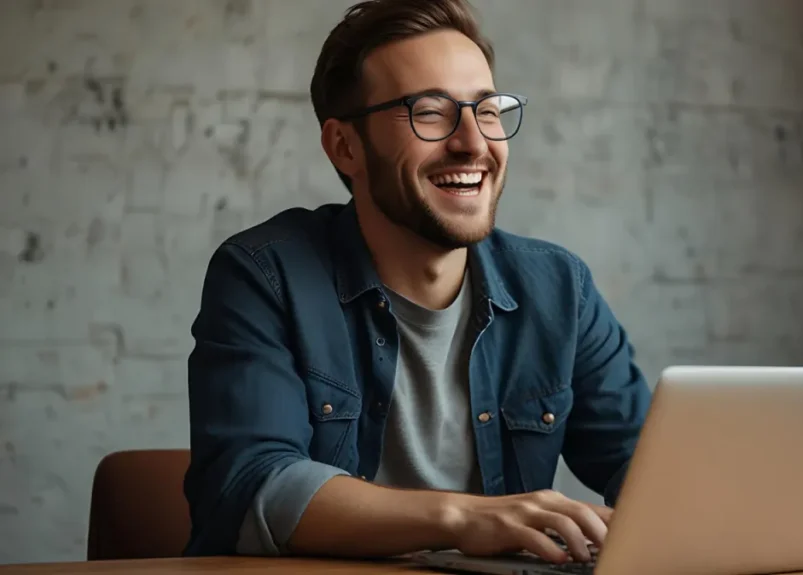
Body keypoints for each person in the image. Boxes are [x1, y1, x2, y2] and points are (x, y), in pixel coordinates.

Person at [183, 0, 651, 565]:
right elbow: (252, 487)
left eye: (488, 110)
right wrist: (463, 518)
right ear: (344, 146)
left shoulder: (558, 288)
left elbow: (652, 473)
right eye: (430, 112)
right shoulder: (264, 274)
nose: (474, 143)